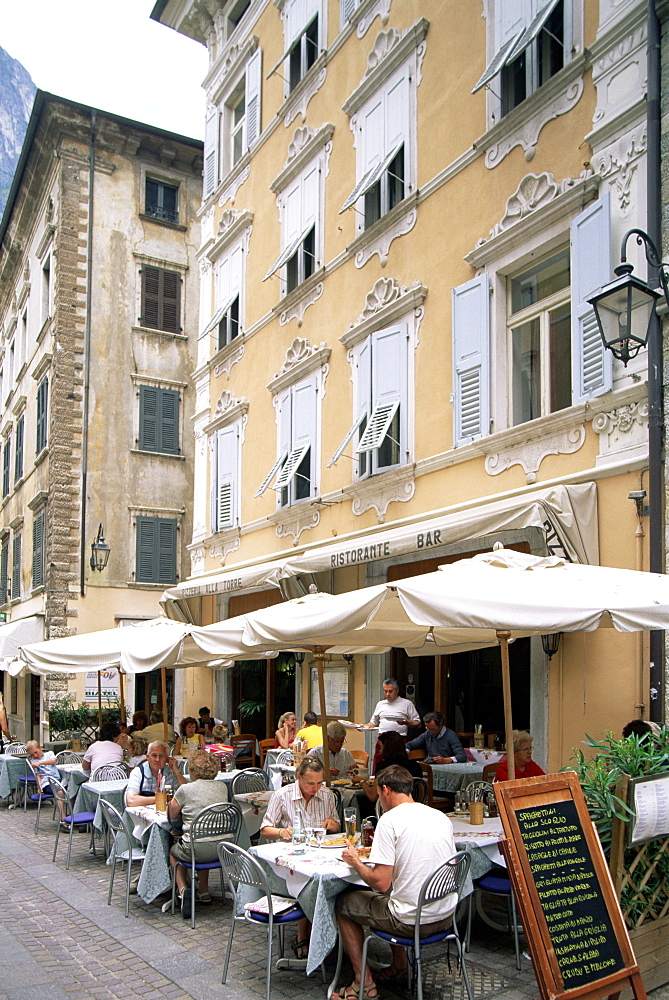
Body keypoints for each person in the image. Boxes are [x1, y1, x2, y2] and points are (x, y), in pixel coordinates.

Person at [335, 765, 458, 998]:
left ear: (385, 790)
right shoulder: (439, 816)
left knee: (344, 902)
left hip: (411, 921)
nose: (379, 800)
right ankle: (400, 967)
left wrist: (356, 862)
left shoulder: (389, 820)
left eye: (378, 794)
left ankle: (364, 982)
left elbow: (380, 883)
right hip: (445, 915)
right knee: (393, 895)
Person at [261, 757, 340, 958]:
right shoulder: (282, 795)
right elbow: (265, 829)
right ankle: (304, 936)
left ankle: (327, 933)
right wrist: (281, 833)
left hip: (317, 854)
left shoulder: (327, 795)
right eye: (310, 783)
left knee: (331, 881)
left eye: (319, 783)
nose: (315, 788)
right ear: (298, 778)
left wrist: (332, 823)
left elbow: (337, 826)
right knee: (308, 883)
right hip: (288, 862)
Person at [167, 749, 230, 919]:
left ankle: (183, 889)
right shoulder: (222, 787)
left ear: (192, 770)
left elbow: (171, 815)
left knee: (174, 851)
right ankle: (204, 891)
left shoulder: (186, 790)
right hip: (221, 848)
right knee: (204, 838)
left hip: (196, 849)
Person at [366, 678, 420, 773]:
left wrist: (406, 722)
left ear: (397, 690)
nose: (387, 694)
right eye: (385, 691)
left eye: (390, 691)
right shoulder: (380, 704)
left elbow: (417, 723)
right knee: (379, 763)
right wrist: (362, 726)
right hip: (382, 740)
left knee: (397, 766)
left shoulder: (407, 704)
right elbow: (373, 723)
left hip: (398, 739)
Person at [352, 732, 422, 805]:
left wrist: (362, 781)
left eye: (381, 748)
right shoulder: (415, 766)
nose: (380, 751)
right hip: (413, 806)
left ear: (387, 749)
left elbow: (372, 796)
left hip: (392, 809)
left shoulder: (384, 767)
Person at [125, 741, 187, 806]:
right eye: (154, 755)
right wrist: (163, 799)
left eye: (161, 756)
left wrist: (177, 771)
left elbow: (186, 793)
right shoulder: (138, 772)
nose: (157, 759)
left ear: (167, 759)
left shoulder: (171, 772)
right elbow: (131, 801)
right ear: (148, 757)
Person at [26, 741, 66, 818]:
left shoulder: (49, 754)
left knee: (72, 789)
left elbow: (53, 761)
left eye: (36, 752)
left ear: (40, 748)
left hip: (58, 781)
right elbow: (37, 775)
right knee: (60, 792)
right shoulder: (33, 761)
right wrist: (39, 786)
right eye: (32, 755)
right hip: (47, 783)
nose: (35, 755)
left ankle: (73, 815)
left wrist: (40, 763)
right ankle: (63, 818)